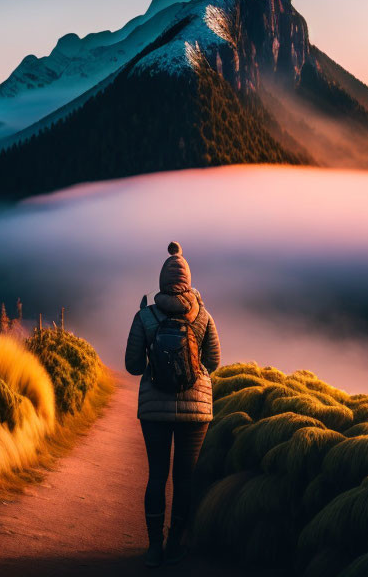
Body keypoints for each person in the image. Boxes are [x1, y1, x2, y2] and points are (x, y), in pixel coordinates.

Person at [125, 241, 221, 568]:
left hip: (154, 409)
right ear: (188, 279)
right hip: (196, 412)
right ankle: (176, 544)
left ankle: (154, 547)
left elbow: (133, 366)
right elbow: (215, 362)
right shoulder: (204, 315)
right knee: (184, 478)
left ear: (162, 281)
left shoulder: (146, 316)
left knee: (156, 476)